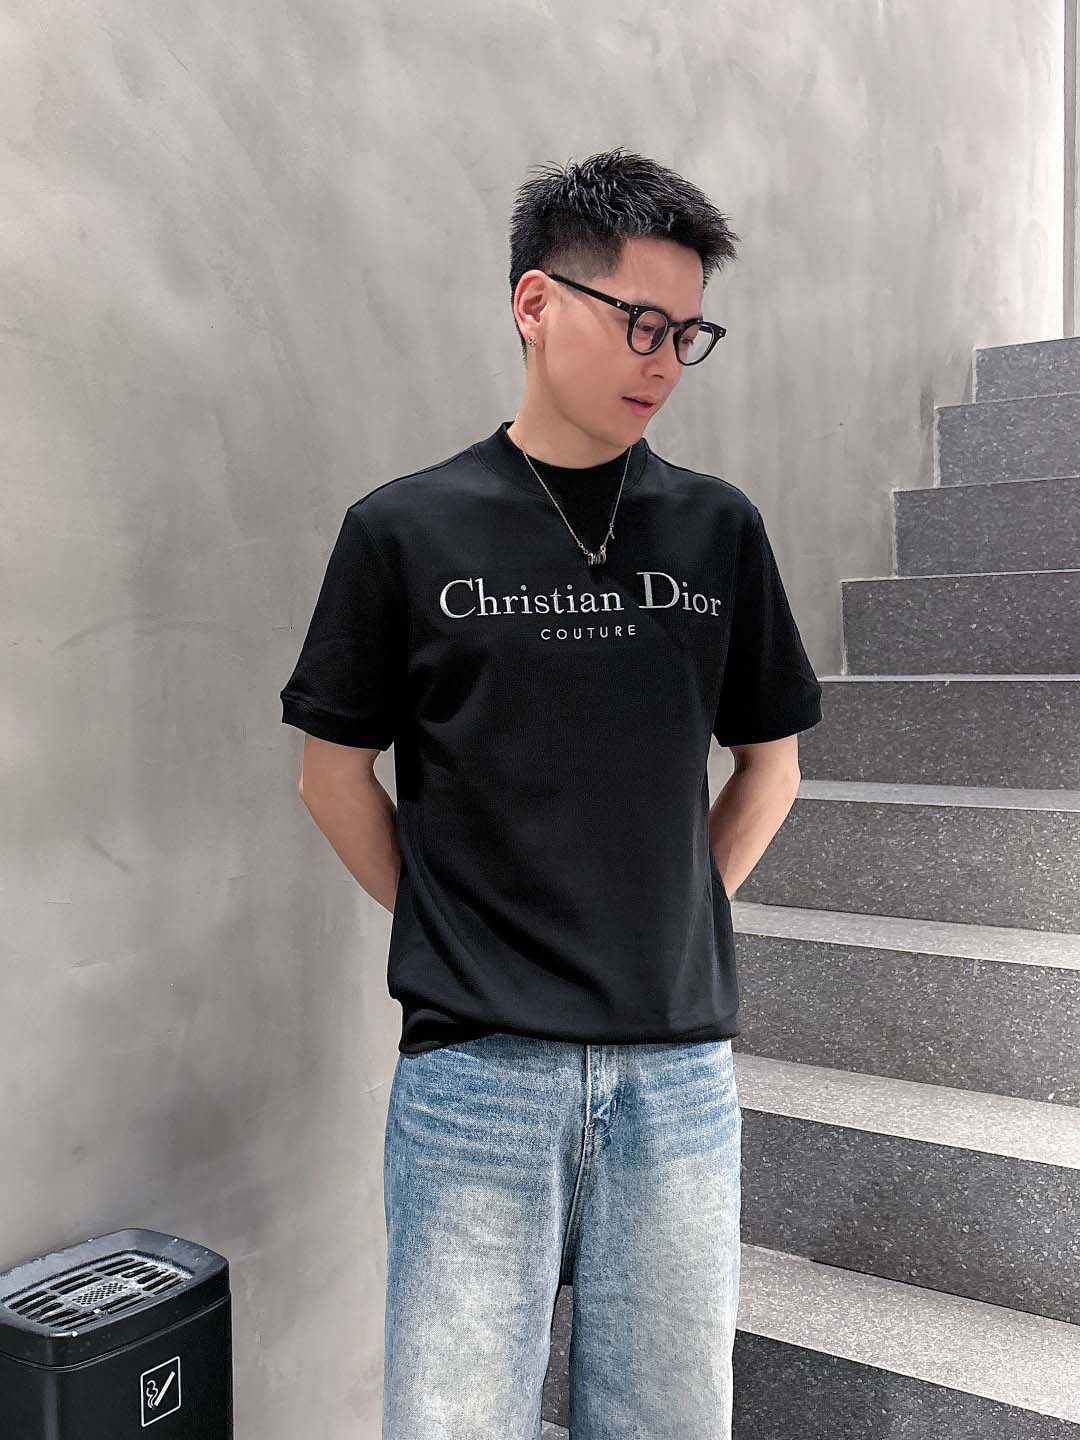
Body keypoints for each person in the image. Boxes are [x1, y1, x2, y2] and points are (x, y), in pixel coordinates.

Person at [280, 146, 823, 1440]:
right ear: (535, 303)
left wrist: (676, 904)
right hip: (477, 1073)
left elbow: (773, 765)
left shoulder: (718, 531)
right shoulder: (405, 532)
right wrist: (460, 916)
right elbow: (331, 776)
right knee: (456, 1421)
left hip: (678, 1077)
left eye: (687, 334)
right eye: (640, 321)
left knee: (671, 1422)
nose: (663, 359)